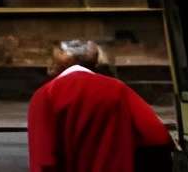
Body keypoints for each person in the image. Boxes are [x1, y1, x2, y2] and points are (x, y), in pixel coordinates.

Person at [28, 38, 173, 172]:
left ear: (65, 61)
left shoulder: (45, 94)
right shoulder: (117, 88)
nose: (48, 65)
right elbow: (156, 135)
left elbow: (43, 158)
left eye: (52, 59)